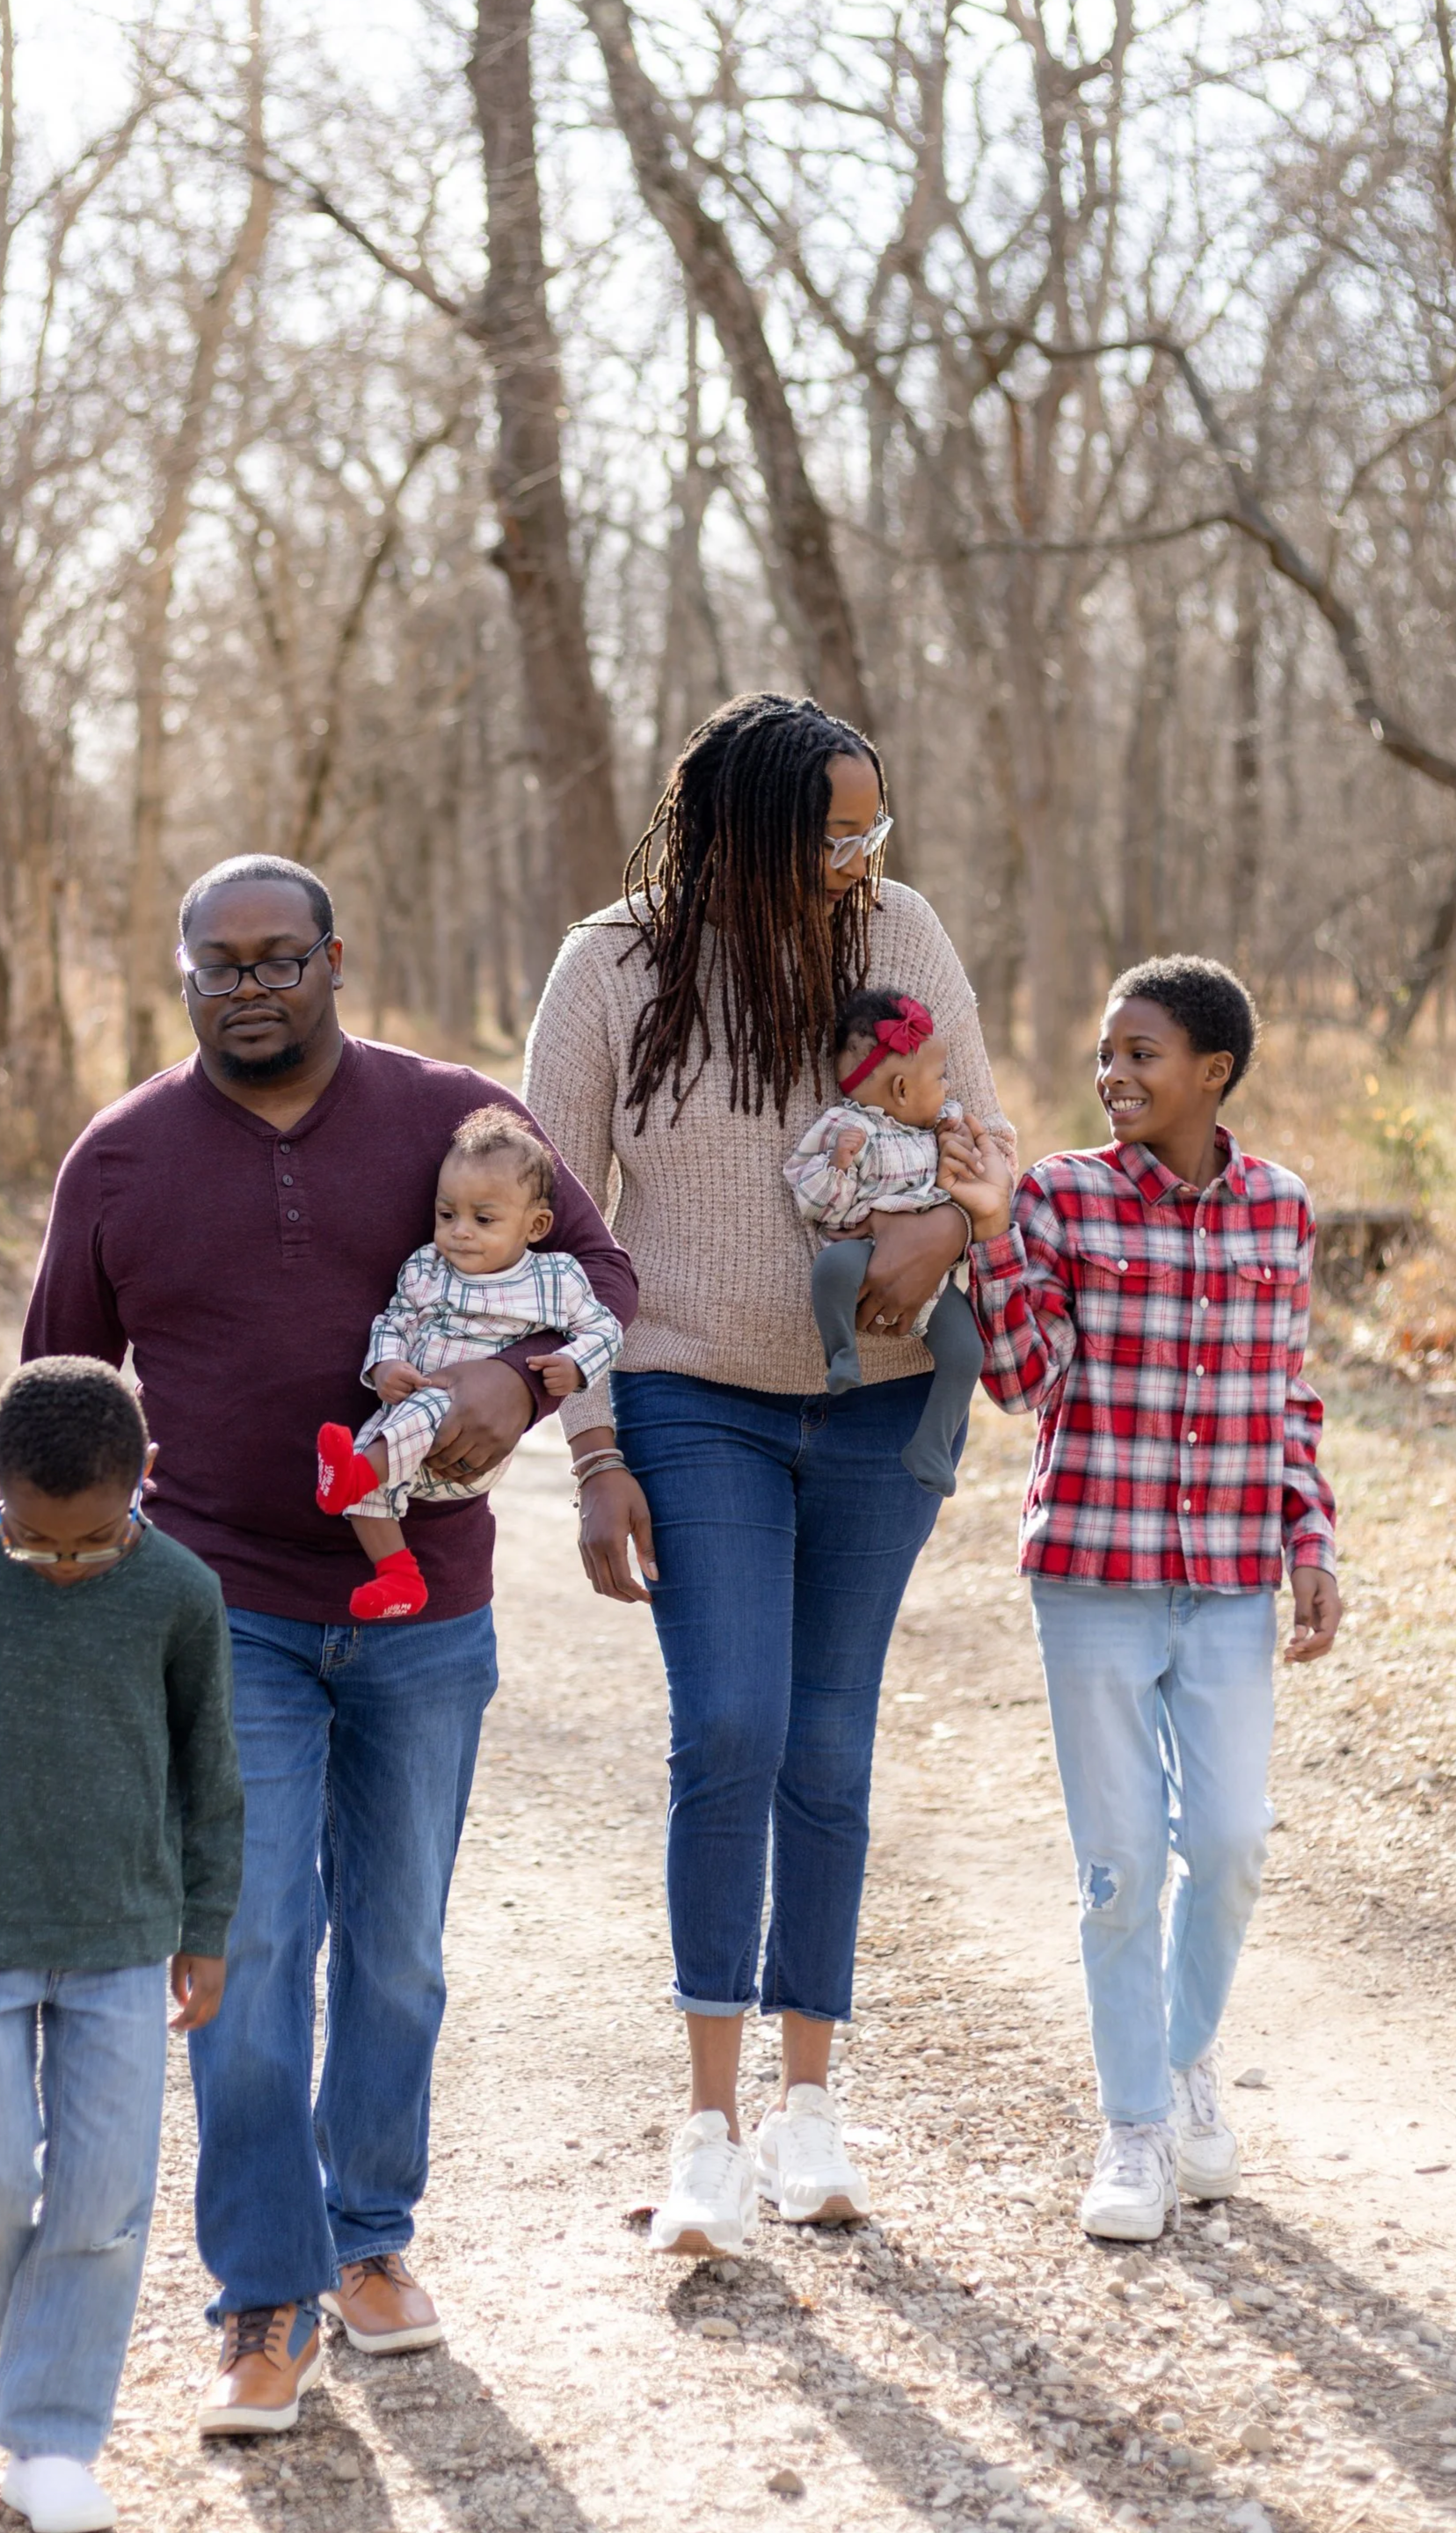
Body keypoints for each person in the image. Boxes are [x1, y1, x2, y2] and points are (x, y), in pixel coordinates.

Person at [22, 856, 634, 2428]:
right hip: (222, 1606)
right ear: (181, 977)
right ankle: (261, 2300)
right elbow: (58, 1397)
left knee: (400, 1947)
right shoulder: (122, 1158)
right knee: (242, 1955)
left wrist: (529, 1389)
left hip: (425, 1604)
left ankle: (370, 2241)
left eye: (276, 958)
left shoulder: (454, 1118)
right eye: (214, 964)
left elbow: (607, 1278)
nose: (247, 987)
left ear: (333, 959)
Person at [522, 690, 1015, 2258]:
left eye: (875, 825)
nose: (860, 855)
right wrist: (593, 1447)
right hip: (689, 1394)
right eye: (833, 830)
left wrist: (946, 1220)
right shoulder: (611, 966)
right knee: (728, 1717)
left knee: (829, 1737)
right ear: (739, 832)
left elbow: (983, 1146)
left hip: (879, 1399)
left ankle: (812, 2110)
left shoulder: (903, 931)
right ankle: (707, 2132)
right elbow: (550, 1230)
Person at [948, 955, 1341, 2242]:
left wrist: (1311, 1541)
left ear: (1213, 1072)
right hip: (1095, 1577)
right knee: (1120, 1870)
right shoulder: (1059, 1197)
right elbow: (1019, 1382)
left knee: (1227, 1846)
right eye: (1107, 1055)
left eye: (1143, 1054)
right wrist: (995, 1231)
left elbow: (1289, 1395)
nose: (1114, 1073)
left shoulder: (1282, 1209)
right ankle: (1132, 2128)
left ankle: (1183, 2065)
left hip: (1230, 1578)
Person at [0, 1358, 242, 2533]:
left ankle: (54, 2439)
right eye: (37, 1542)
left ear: (145, 1484)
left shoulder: (179, 1592)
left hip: (124, 1936)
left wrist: (207, 1928)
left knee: (105, 2200)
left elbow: (210, 1778)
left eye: (91, 1542)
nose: (65, 1565)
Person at [315, 1106, 623, 1619]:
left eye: (483, 1219)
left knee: (439, 1401)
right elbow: (392, 1320)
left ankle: (354, 1473)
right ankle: (397, 1577)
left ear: (536, 1225)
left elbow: (604, 1327)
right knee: (369, 1486)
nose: (460, 1232)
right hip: (402, 1430)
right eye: (446, 1214)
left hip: (468, 1440)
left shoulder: (551, 1280)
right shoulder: (425, 1268)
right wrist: (385, 1366)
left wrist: (576, 1364)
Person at [783, 987, 984, 1495]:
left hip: (930, 1275)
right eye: (939, 1078)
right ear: (900, 1089)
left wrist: (960, 1149)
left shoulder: (940, 1125)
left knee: (966, 1354)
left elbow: (977, 1178)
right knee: (830, 1272)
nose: (948, 1087)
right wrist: (839, 1165)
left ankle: (932, 1445)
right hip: (863, 1251)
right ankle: (842, 1352)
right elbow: (810, 1200)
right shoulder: (846, 1129)